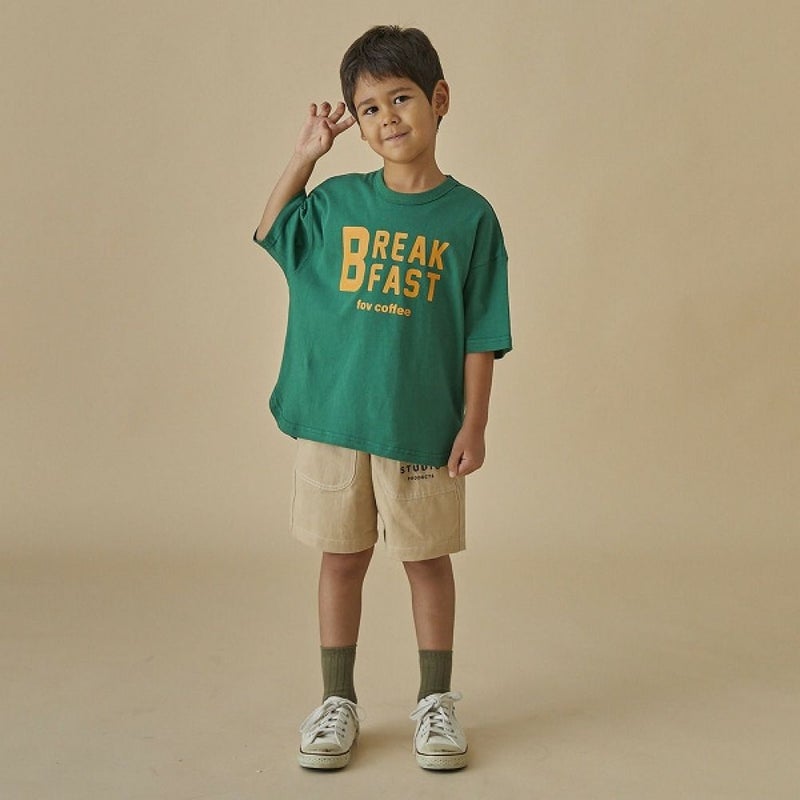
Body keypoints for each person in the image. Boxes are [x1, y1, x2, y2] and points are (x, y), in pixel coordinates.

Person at [252, 24, 512, 771]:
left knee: (427, 561)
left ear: (439, 100)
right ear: (358, 126)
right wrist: (306, 154)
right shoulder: (337, 203)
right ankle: (337, 700)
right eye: (368, 108)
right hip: (336, 422)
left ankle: (436, 701)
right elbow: (272, 230)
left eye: (401, 98)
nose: (387, 118)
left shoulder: (471, 218)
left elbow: (483, 329)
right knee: (341, 559)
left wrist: (475, 423)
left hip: (423, 427)